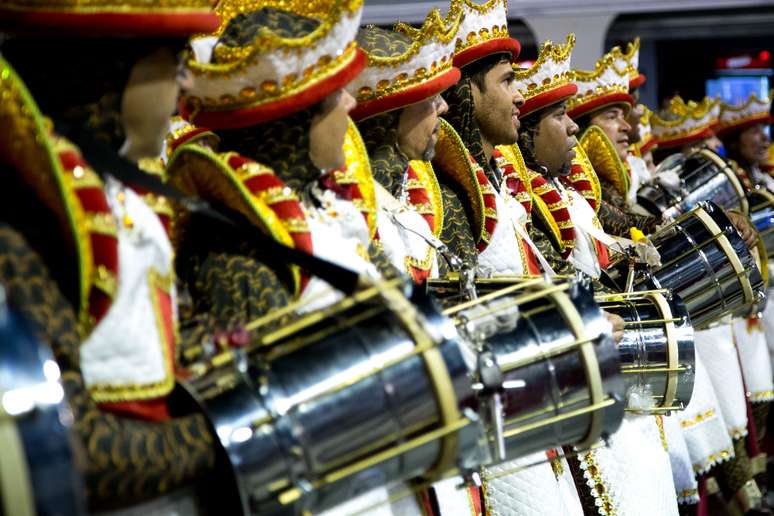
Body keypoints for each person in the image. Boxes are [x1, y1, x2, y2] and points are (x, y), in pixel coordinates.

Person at [0, 1, 230, 513]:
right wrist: (242, 429)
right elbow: (68, 450)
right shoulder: (26, 221)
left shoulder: (125, 199)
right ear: (114, 74)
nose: (186, 86)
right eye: (174, 63)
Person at [515, 34, 681, 516]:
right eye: (561, 116)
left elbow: (607, 232)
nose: (570, 127)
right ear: (528, 132)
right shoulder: (522, 195)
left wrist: (637, 246)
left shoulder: (561, 190)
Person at [432, 3, 586, 514]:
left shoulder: (493, 184)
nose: (521, 94)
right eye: (507, 81)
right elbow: (456, 319)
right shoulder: (452, 196)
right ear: (467, 92)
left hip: (535, 416)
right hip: (500, 440)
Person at [348, 8, 463, 283]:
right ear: (390, 115)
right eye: (431, 99)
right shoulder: (350, 208)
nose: (444, 108)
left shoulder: (411, 191)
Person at [567, 46, 661, 237]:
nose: (626, 126)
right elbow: (625, 224)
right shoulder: (578, 186)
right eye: (611, 117)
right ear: (584, 130)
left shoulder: (611, 182)